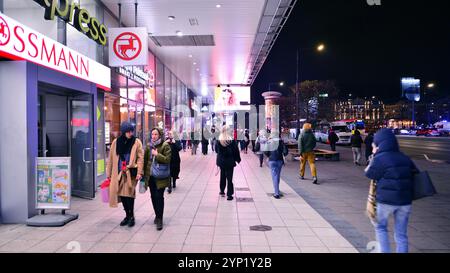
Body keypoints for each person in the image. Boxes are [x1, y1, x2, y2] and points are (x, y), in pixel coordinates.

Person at [365, 129, 417, 253]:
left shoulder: (380, 158)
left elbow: (370, 174)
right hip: (405, 201)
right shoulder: (404, 157)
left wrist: (374, 155)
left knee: (381, 228)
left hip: (385, 200)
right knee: (401, 234)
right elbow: (415, 173)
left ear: (379, 143)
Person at [106, 122, 144, 227]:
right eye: (128, 131)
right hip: (118, 173)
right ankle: (127, 215)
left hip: (130, 172)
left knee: (129, 194)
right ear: (123, 132)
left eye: (132, 131)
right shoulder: (116, 142)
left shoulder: (136, 142)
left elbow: (141, 158)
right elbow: (111, 159)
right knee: (121, 195)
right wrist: (108, 173)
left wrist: (140, 172)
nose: (130, 133)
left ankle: (131, 216)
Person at [144, 127, 171, 230]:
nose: (154, 136)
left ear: (160, 135)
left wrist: (157, 155)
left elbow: (168, 160)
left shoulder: (165, 146)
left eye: (156, 134)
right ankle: (156, 214)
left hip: (160, 177)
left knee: (159, 197)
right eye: (152, 134)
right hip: (150, 176)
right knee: (153, 197)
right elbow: (145, 160)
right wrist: (142, 174)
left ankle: (160, 219)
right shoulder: (148, 146)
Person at [215, 126, 241, 200]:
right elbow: (236, 151)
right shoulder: (231, 140)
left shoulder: (219, 140)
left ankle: (222, 191)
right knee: (229, 178)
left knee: (222, 176)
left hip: (222, 162)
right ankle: (229, 195)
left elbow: (217, 150)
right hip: (229, 162)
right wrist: (238, 159)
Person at [265, 129, 289, 199]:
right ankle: (277, 189)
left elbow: (265, 151)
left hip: (272, 160)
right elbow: (285, 151)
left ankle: (276, 193)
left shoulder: (269, 141)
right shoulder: (281, 141)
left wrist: (269, 155)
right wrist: (282, 154)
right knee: (277, 175)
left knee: (274, 176)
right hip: (279, 160)